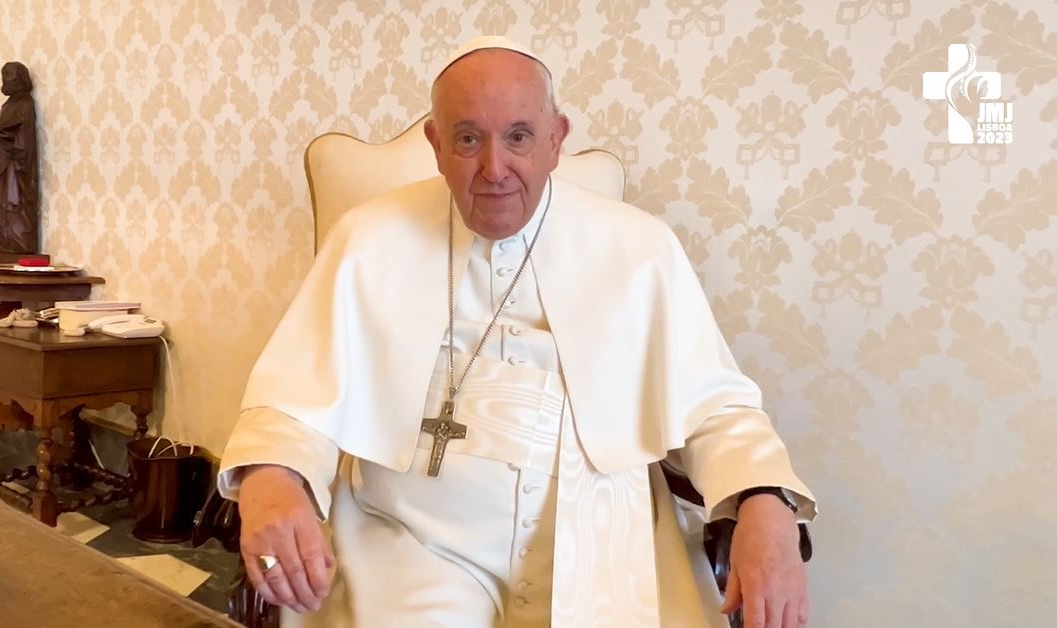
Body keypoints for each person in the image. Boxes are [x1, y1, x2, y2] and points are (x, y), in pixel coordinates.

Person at [218, 36, 816, 628]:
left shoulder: (641, 248)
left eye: (520, 137)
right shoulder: (367, 238)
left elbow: (714, 407)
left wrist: (764, 501)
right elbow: (295, 398)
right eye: (468, 139)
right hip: (410, 539)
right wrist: (273, 477)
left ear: (556, 139)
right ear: (435, 144)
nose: (494, 169)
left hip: (597, 532)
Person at [0, 61, 39, 254]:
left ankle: (18, 242)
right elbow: (4, 130)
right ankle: (1, 240)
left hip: (16, 164)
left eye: (10, 78)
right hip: (3, 161)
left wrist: (0, 135)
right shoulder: (7, 106)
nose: (6, 82)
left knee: (14, 202)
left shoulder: (26, 104)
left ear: (20, 80)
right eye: (4, 78)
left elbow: (24, 139)